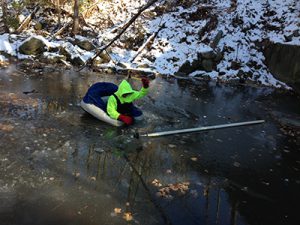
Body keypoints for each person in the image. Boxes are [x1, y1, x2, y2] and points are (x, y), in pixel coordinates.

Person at [82, 78, 150, 125]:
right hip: (94, 100)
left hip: (124, 108)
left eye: (127, 93)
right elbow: (111, 111)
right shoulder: (113, 98)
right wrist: (122, 117)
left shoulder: (131, 94)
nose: (126, 96)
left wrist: (145, 87)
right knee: (119, 124)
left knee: (139, 117)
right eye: (124, 94)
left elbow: (141, 94)